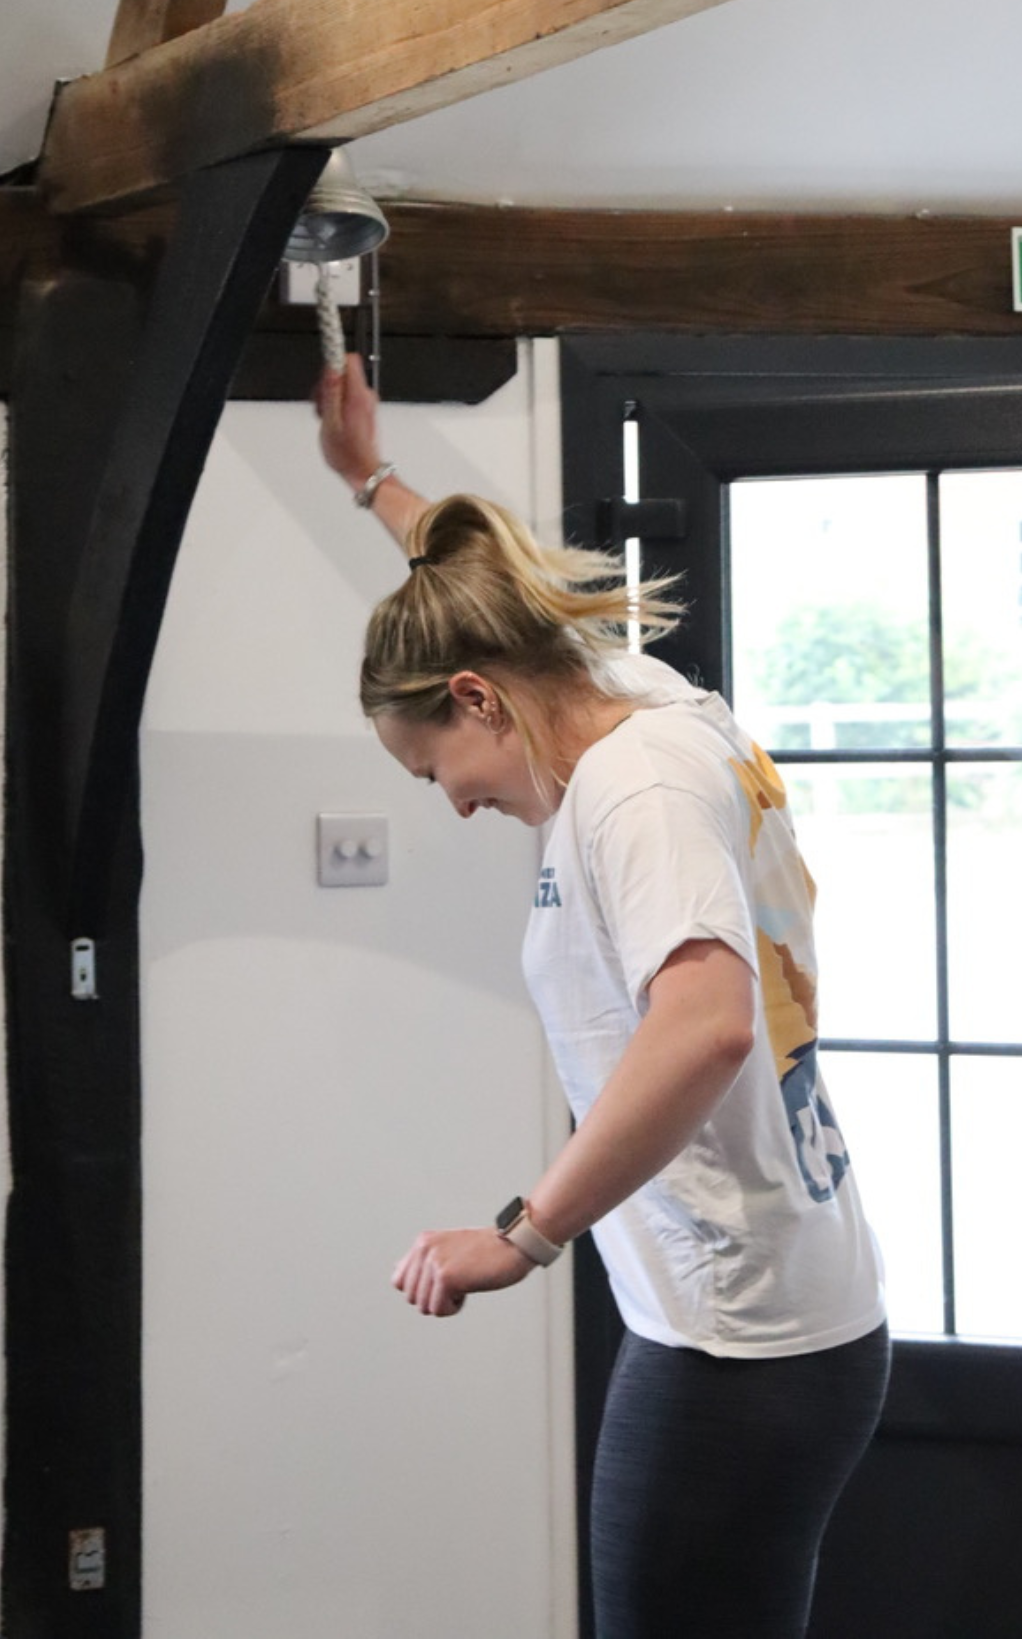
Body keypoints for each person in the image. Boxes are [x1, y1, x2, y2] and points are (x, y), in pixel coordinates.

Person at [314, 354, 890, 1639]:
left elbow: (708, 1022)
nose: (458, 802)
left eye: (439, 770)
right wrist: (372, 486)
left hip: (737, 1344)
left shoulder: (630, 792)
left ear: (478, 698)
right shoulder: (621, 688)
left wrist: (521, 1235)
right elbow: (469, 578)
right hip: (782, 1315)